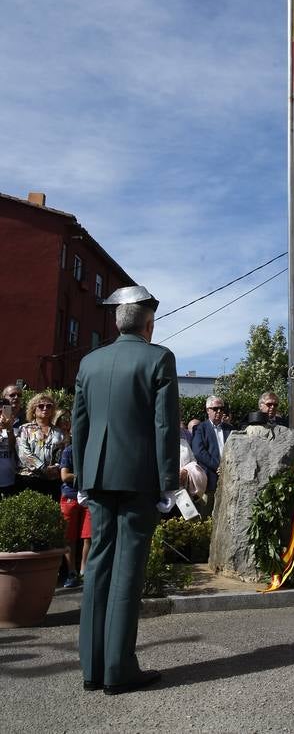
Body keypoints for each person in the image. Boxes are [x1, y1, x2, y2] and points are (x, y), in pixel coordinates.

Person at [72, 285, 179, 695]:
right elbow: (164, 425)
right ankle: (119, 670)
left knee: (98, 566)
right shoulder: (158, 358)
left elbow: (80, 425)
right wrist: (168, 482)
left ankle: (92, 668)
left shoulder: (89, 362)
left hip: (97, 477)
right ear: (148, 324)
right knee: (127, 570)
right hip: (138, 477)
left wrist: (83, 478)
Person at [16, 392, 63, 498]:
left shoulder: (58, 432)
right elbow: (23, 453)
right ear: (33, 410)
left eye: (49, 406)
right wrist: (43, 468)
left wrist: (55, 467)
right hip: (29, 478)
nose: (45, 408)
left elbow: (61, 453)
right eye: (41, 406)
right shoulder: (24, 429)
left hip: (52, 480)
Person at [191, 395, 232, 513]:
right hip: (209, 480)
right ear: (208, 410)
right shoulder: (200, 428)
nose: (219, 411)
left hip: (228, 479)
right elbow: (199, 452)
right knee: (206, 513)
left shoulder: (230, 429)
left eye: (221, 409)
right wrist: (218, 466)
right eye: (215, 409)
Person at [60, 440, 91, 587]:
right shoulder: (69, 450)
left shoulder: (94, 448)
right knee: (69, 537)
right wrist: (85, 476)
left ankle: (84, 572)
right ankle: (71, 572)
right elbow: (64, 476)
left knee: (88, 536)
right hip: (70, 496)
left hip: (91, 497)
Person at [0, 398, 16, 497]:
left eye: (4, 411)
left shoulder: (18, 429)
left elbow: (13, 447)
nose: (2, 415)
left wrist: (9, 429)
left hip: (9, 481)